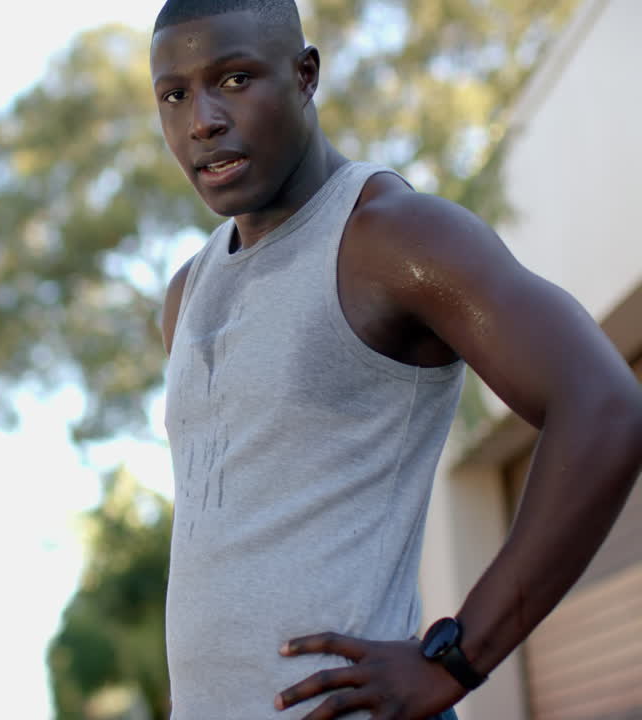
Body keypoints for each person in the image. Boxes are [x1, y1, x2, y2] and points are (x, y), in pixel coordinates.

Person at [150, 0, 642, 718]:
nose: (202, 120)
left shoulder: (394, 238)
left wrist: (457, 657)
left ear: (305, 74)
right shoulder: (187, 293)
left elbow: (603, 408)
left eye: (234, 79)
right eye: (175, 94)